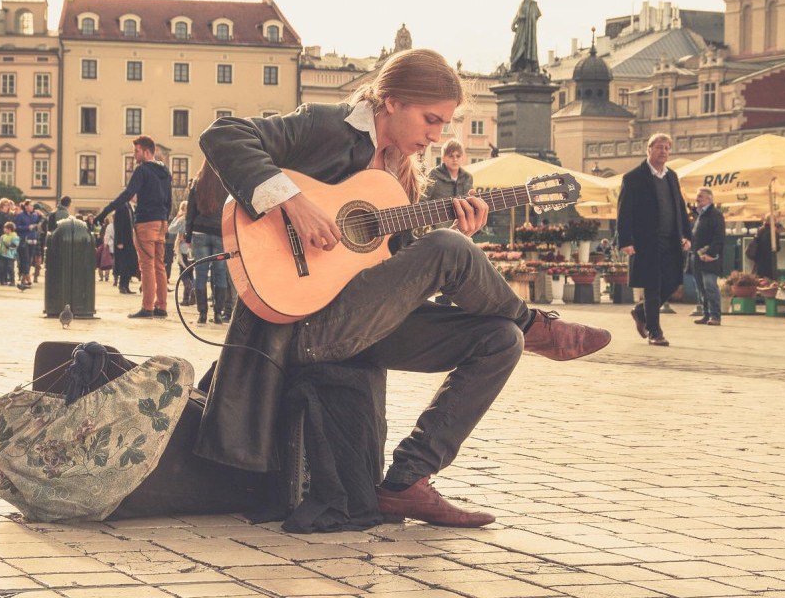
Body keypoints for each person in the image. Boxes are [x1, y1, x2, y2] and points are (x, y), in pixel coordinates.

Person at [197, 48, 610, 527]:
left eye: (444, 125)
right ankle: (538, 326)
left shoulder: (402, 177)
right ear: (390, 102)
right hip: (302, 326)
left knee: (500, 339)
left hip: (360, 324)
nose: (437, 135)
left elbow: (396, 271)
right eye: (431, 119)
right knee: (447, 248)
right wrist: (295, 203)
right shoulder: (325, 126)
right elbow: (222, 135)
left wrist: (459, 238)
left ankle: (407, 482)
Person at [617, 133, 690, 347]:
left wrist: (687, 235)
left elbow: (680, 208)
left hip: (671, 240)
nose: (664, 151)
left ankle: (640, 312)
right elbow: (624, 212)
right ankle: (655, 332)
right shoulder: (634, 178)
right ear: (648, 149)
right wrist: (626, 241)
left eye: (667, 148)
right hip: (646, 242)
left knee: (673, 281)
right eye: (659, 147)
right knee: (653, 286)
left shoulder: (671, 177)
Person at [97, 135, 173, 319]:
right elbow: (169, 200)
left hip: (146, 222)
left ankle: (147, 307)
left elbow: (128, 193)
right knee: (159, 266)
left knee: (146, 265)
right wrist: (165, 218)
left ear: (147, 152)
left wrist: (105, 211)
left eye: (136, 151)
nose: (134, 155)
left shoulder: (142, 170)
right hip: (161, 221)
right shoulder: (165, 171)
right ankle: (161, 306)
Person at [424, 139, 474, 305]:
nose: (455, 159)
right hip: (437, 231)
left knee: (458, 269)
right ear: (443, 158)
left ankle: (452, 305)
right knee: (443, 270)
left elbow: (470, 202)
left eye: (458, 156)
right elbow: (423, 201)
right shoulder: (433, 175)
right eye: (451, 156)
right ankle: (441, 306)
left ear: (463, 157)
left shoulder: (467, 178)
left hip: (461, 231)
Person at [184, 161, 227, 324]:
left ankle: (202, 313)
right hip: (220, 233)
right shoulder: (225, 180)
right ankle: (217, 314)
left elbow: (190, 211)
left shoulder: (197, 182)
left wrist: (188, 237)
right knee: (220, 273)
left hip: (199, 232)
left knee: (200, 274)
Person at [690, 187, 725, 327]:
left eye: (700, 197)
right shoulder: (699, 215)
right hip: (697, 258)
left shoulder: (715, 215)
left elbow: (719, 237)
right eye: (697, 196)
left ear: (709, 199)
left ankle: (715, 316)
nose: (697, 199)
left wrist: (710, 253)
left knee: (710, 287)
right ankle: (706, 314)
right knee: (701, 289)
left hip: (710, 259)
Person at [509, 0, 542, 73]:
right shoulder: (521, 4)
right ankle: (518, 65)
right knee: (516, 47)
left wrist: (527, 18)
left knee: (528, 46)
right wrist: (513, 23)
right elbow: (517, 15)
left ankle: (528, 65)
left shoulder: (533, 4)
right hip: (520, 29)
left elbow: (537, 15)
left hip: (528, 30)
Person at [110, 200, 137, 294]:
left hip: (129, 242)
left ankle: (126, 286)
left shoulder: (129, 207)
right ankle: (122, 286)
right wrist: (119, 242)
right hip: (122, 242)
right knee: (123, 265)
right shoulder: (121, 207)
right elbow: (118, 226)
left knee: (129, 264)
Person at [14, 201, 42, 287]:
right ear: (26, 206)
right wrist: (27, 227)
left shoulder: (34, 215)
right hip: (24, 240)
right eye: (30, 205)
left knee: (29, 260)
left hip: (33, 240)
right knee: (25, 259)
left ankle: (23, 279)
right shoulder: (20, 215)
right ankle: (27, 277)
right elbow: (16, 227)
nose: (32, 207)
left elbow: (40, 221)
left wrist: (40, 215)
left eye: (33, 206)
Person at [751, 215, 778, 281]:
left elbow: (755, 243)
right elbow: (778, 247)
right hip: (770, 261)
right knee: (770, 281)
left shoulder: (760, 231)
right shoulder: (774, 233)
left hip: (759, 260)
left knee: (759, 280)